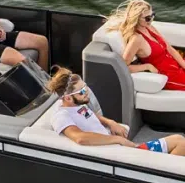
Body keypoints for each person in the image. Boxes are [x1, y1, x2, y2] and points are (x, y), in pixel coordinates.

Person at [47, 66, 185, 156]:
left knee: (179, 141)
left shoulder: (75, 104)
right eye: (82, 91)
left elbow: (88, 114)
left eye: (86, 87)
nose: (87, 92)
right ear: (67, 98)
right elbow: (80, 138)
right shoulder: (61, 116)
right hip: (121, 154)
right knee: (179, 142)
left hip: (121, 148)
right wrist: (118, 140)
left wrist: (109, 122)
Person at [106, 0, 185, 90]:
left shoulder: (150, 27)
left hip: (175, 64)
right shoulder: (136, 39)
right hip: (169, 75)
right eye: (147, 18)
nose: (151, 20)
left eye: (152, 15)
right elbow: (123, 67)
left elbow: (169, 48)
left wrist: (183, 65)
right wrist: (147, 66)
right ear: (137, 18)